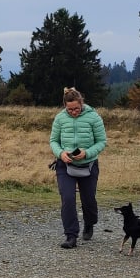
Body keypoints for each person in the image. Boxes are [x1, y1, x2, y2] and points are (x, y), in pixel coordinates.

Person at [48, 87, 107, 249]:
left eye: (76, 108)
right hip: (65, 165)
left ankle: (90, 222)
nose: (73, 112)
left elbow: (102, 141)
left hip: (89, 164)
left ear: (82, 103)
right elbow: (53, 141)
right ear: (65, 106)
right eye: (70, 109)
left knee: (88, 200)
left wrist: (87, 153)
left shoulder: (94, 117)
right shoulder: (60, 118)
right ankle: (71, 235)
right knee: (67, 199)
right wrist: (61, 153)